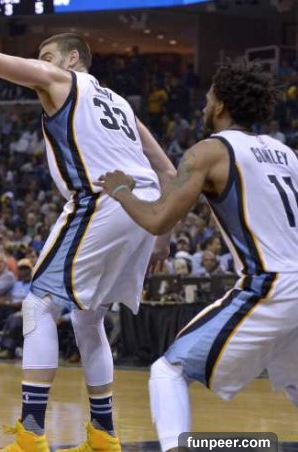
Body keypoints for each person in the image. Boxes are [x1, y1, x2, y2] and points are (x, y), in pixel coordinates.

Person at [0, 11, 176, 451]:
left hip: (103, 199)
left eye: (47, 56)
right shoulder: (121, 104)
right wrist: (161, 236)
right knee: (87, 318)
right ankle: (103, 436)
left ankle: (31, 435)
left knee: (38, 305)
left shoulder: (62, 80)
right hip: (145, 208)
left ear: (72, 59)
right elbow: (168, 170)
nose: (41, 63)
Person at [97, 62, 298, 451]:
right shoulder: (285, 153)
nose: (204, 105)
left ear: (220, 105)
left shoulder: (210, 151)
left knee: (168, 370)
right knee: (294, 383)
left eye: (208, 98)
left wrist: (120, 191)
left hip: (272, 284)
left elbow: (158, 219)